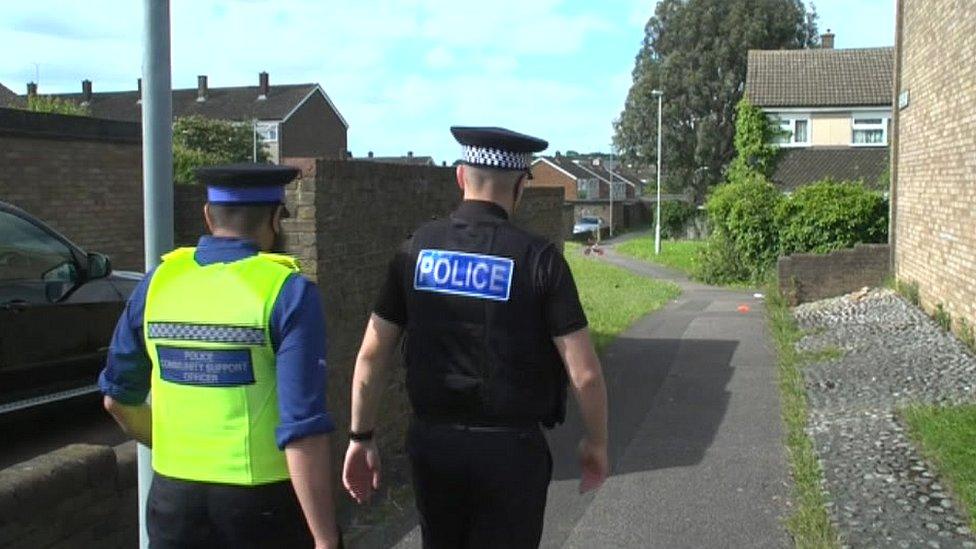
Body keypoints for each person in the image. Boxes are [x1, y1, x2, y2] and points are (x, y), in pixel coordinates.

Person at [342, 127, 610, 548]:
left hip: (435, 448)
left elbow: (372, 355)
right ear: (521, 185)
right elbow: (585, 374)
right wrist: (596, 443)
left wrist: (361, 437)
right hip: (512, 454)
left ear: (461, 176)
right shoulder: (541, 260)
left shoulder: (414, 251)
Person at [99, 163, 341, 548]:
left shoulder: (157, 282)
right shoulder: (288, 292)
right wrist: (326, 539)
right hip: (261, 509)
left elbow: (116, 401)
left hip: (172, 503)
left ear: (209, 216)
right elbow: (302, 429)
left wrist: (180, 448)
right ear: (276, 219)